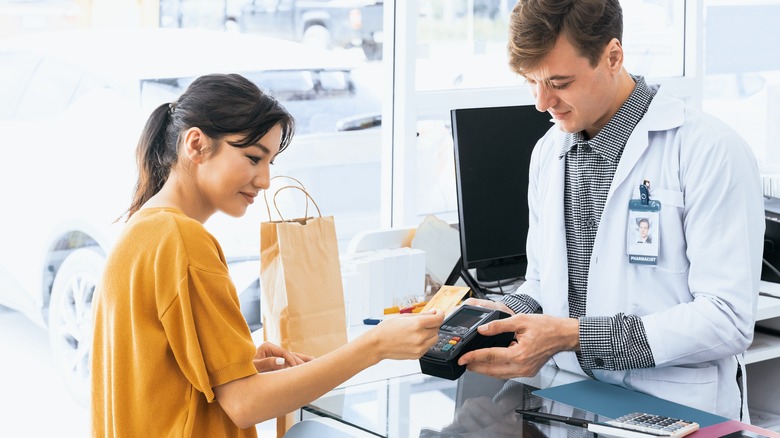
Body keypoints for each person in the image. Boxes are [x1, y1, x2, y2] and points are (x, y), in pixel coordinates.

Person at [90, 73, 445, 437]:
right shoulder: (182, 240)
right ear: (195, 144)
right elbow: (246, 404)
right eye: (253, 158)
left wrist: (237, 366)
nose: (264, 180)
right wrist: (375, 345)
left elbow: (154, 380)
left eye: (270, 163)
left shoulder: (141, 232)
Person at [458, 0, 764, 421]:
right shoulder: (549, 152)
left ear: (613, 57)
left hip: (676, 408)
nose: (541, 102)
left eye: (559, 82)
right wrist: (503, 317)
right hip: (570, 400)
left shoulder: (709, 150)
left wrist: (574, 335)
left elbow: (726, 319)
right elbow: (543, 282)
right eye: (531, 82)